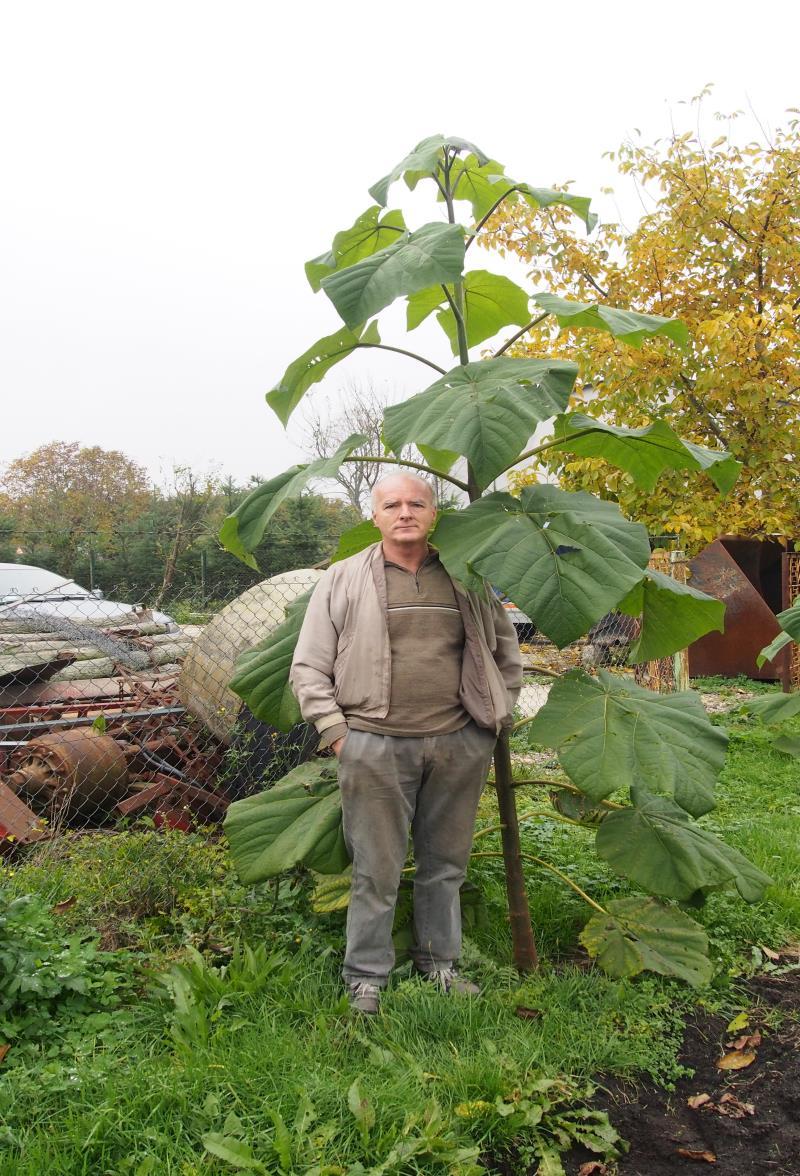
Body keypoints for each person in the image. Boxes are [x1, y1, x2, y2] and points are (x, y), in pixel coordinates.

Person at [290, 472, 523, 1014]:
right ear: (374, 516)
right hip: (373, 744)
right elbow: (309, 665)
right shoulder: (343, 579)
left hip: (457, 742)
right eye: (391, 504)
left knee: (446, 864)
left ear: (433, 513)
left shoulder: (465, 577)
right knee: (377, 867)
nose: (404, 513)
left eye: (416, 503)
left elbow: (504, 654)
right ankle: (366, 978)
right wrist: (337, 734)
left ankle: (439, 966)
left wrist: (489, 721)